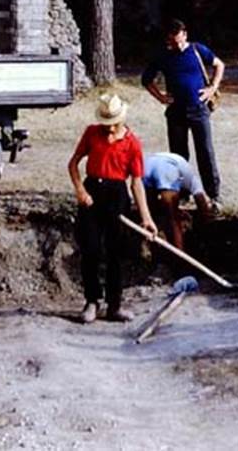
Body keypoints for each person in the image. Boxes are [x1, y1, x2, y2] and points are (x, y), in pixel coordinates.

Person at [67, 94, 158, 324]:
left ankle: (114, 305)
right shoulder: (91, 133)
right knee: (91, 249)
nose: (109, 130)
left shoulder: (132, 143)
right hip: (92, 193)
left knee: (115, 252)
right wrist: (80, 190)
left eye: (114, 124)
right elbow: (73, 163)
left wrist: (146, 217)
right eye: (106, 124)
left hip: (117, 196)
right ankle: (92, 301)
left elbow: (136, 182)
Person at [141, 19, 224, 204]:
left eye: (179, 40)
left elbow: (219, 65)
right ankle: (184, 194)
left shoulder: (197, 50)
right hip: (176, 112)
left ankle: (213, 194)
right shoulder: (163, 55)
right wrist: (161, 97)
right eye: (172, 42)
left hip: (199, 109)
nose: (176, 45)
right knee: (178, 156)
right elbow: (146, 79)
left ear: (184, 35)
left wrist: (212, 87)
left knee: (205, 153)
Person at [142, 152, 212, 250]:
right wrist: (206, 229)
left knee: (151, 214)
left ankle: (153, 248)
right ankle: (179, 257)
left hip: (146, 168)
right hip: (167, 169)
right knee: (173, 219)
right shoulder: (193, 181)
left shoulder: (186, 174)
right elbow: (202, 204)